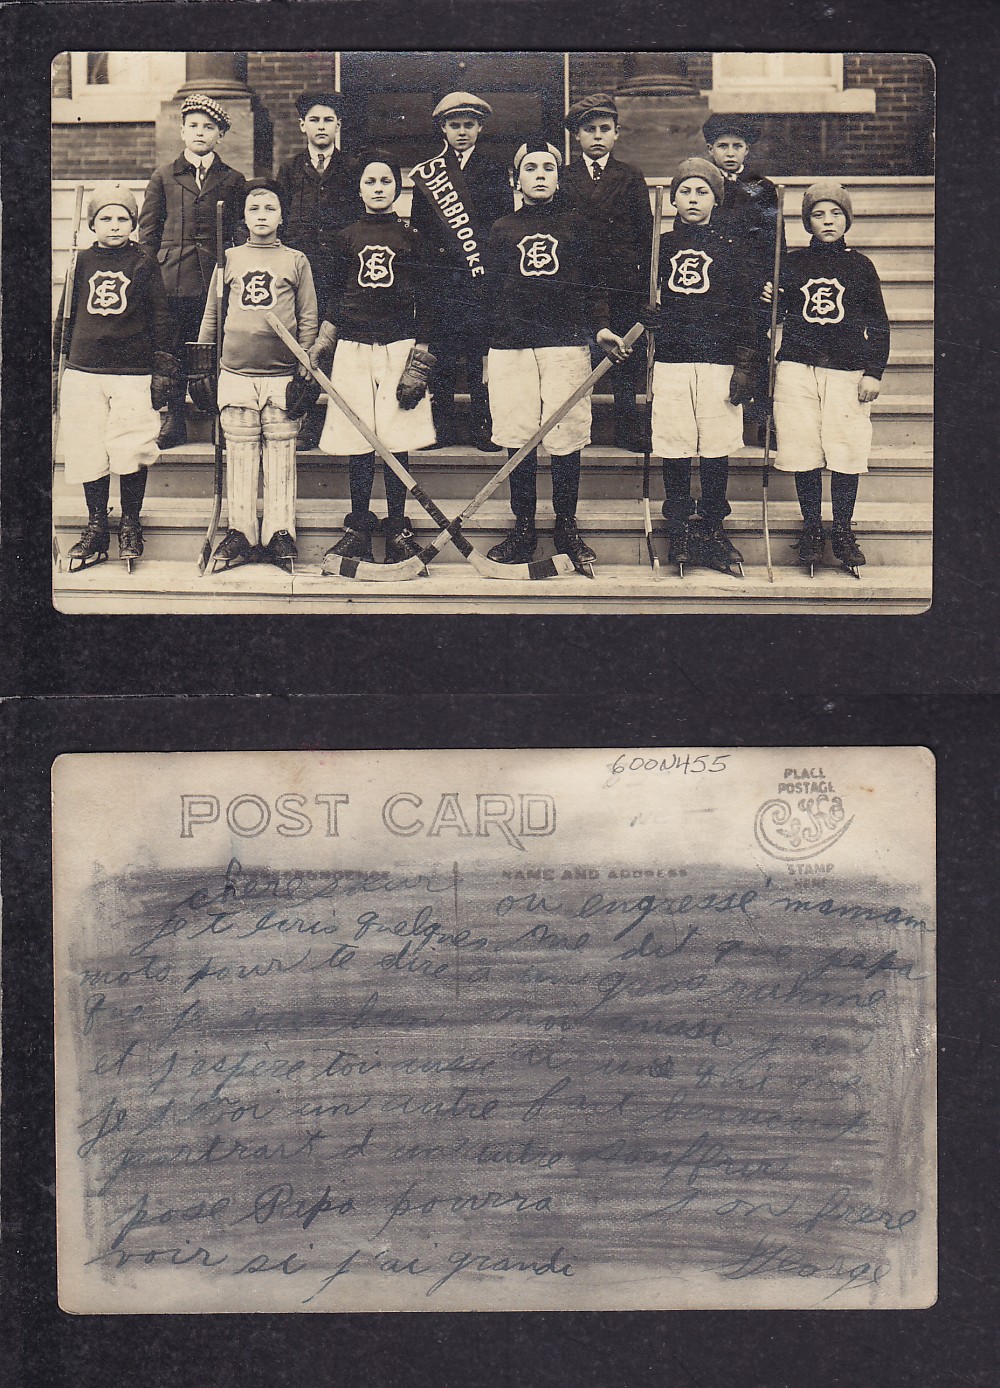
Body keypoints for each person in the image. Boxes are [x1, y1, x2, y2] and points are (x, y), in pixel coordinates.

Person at [483, 136, 630, 574]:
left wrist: (600, 328)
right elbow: (489, 294)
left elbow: (593, 286)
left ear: (558, 177)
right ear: (517, 178)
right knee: (518, 437)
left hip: (565, 345)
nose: (540, 175)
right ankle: (524, 527)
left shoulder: (577, 227)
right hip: (512, 347)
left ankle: (566, 526)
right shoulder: (501, 230)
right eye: (531, 168)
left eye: (548, 168)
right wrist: (491, 349)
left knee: (565, 438)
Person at [309, 149, 436, 567]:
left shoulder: (413, 237)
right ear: (359, 188)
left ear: (397, 190)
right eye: (370, 181)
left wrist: (421, 355)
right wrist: (323, 343)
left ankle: (398, 525)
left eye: (385, 182)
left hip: (399, 346)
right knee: (359, 439)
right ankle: (360, 525)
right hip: (354, 347)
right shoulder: (344, 237)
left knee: (396, 440)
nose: (378, 188)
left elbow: (428, 301)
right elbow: (332, 296)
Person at [195, 178, 318, 572]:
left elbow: (308, 317)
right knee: (242, 451)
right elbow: (213, 315)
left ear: (282, 216)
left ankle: (280, 532)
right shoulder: (227, 259)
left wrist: (306, 368)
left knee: (281, 449)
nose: (261, 215)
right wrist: (203, 365)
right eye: (254, 209)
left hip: (282, 373)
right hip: (235, 372)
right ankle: (242, 531)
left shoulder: (296, 260)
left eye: (269, 208)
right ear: (243, 217)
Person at [768, 181, 889, 575]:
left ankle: (843, 529)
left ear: (847, 218)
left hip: (846, 370)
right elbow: (778, 314)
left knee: (845, 450)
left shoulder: (861, 265)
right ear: (807, 222)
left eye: (835, 213)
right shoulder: (792, 263)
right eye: (818, 214)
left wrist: (873, 371)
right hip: (798, 369)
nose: (827, 221)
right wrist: (770, 295)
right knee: (804, 449)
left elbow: (879, 324)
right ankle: (812, 528)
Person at [645, 157, 760, 574]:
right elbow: (640, 294)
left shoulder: (731, 247)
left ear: (716, 199)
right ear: (673, 198)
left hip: (717, 361)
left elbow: (746, 311)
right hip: (673, 360)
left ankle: (712, 526)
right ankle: (678, 525)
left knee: (714, 447)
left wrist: (745, 365)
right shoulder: (660, 244)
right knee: (675, 444)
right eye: (685, 191)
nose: (693, 199)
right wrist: (647, 313)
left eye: (703, 191)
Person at [55, 183, 177, 572]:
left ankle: (130, 523)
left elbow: (160, 317)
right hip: (84, 369)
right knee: (90, 450)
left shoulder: (144, 261)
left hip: (131, 372)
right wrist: (56, 366)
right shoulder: (81, 262)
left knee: (130, 450)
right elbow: (65, 316)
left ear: (134, 222)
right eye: (105, 218)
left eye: (122, 217)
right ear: (92, 224)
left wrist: (162, 367)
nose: (114, 225)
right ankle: (95, 527)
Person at [138, 93, 247, 449]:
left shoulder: (233, 180)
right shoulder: (164, 176)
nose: (201, 133)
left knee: (213, 348)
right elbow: (148, 234)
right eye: (194, 126)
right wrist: (150, 279)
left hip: (215, 278)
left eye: (209, 127)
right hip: (171, 278)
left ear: (220, 135)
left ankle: (219, 417)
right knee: (173, 346)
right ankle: (175, 417)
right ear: (182, 131)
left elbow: (239, 232)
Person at [409, 91, 513, 450]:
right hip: (442, 279)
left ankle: (483, 428)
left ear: (480, 128)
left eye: (469, 125)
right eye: (455, 125)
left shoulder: (495, 169)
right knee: (443, 354)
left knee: (478, 355)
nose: (463, 132)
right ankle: (442, 429)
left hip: (479, 277)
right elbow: (420, 229)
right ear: (443, 128)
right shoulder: (430, 172)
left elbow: (502, 224)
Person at [561, 93, 654, 451]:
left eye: (605, 129)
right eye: (589, 130)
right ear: (577, 137)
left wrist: (646, 282)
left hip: (623, 281)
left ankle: (628, 428)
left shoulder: (630, 176)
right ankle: (573, 429)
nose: (597, 136)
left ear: (616, 133)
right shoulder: (565, 177)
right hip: (579, 278)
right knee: (578, 352)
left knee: (627, 355)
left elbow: (644, 233)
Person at [276, 91, 359, 450]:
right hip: (302, 268)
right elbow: (281, 217)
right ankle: (307, 415)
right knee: (306, 340)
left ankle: (340, 418)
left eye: (328, 120)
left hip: (339, 269)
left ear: (339, 126)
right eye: (315, 120)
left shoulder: (352, 168)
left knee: (337, 341)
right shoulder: (290, 169)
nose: (321, 127)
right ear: (302, 126)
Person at [702, 114, 784, 294]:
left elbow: (775, 237)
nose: (730, 153)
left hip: (751, 274)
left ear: (746, 150)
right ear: (710, 149)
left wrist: (771, 280)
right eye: (722, 146)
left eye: (737, 146)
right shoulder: (700, 185)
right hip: (711, 271)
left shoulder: (761, 187)